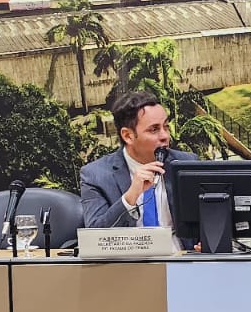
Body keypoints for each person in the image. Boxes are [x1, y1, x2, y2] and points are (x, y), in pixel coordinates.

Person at [80, 91, 198, 241]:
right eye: (154, 129)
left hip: (179, 252)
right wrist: (130, 197)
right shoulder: (95, 175)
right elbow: (94, 238)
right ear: (128, 136)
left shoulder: (185, 164)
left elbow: (208, 220)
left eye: (166, 126)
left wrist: (205, 241)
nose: (165, 136)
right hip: (130, 255)